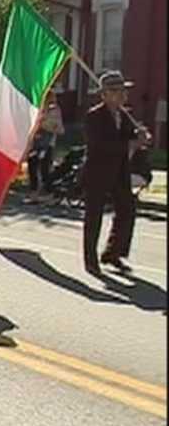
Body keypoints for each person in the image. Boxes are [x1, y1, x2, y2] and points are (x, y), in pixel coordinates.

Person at [82, 70, 152, 275]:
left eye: (123, 91)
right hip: (97, 172)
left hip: (120, 172)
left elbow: (132, 137)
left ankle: (113, 253)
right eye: (116, 91)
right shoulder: (94, 116)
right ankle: (90, 260)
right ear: (104, 94)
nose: (122, 95)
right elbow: (99, 145)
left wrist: (141, 136)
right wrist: (130, 143)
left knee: (127, 210)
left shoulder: (124, 115)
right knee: (93, 217)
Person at [25, 98, 64, 203]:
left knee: (44, 168)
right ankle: (34, 193)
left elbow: (59, 128)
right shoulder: (36, 109)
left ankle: (48, 193)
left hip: (47, 144)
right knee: (32, 166)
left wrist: (42, 123)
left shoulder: (54, 110)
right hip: (35, 143)